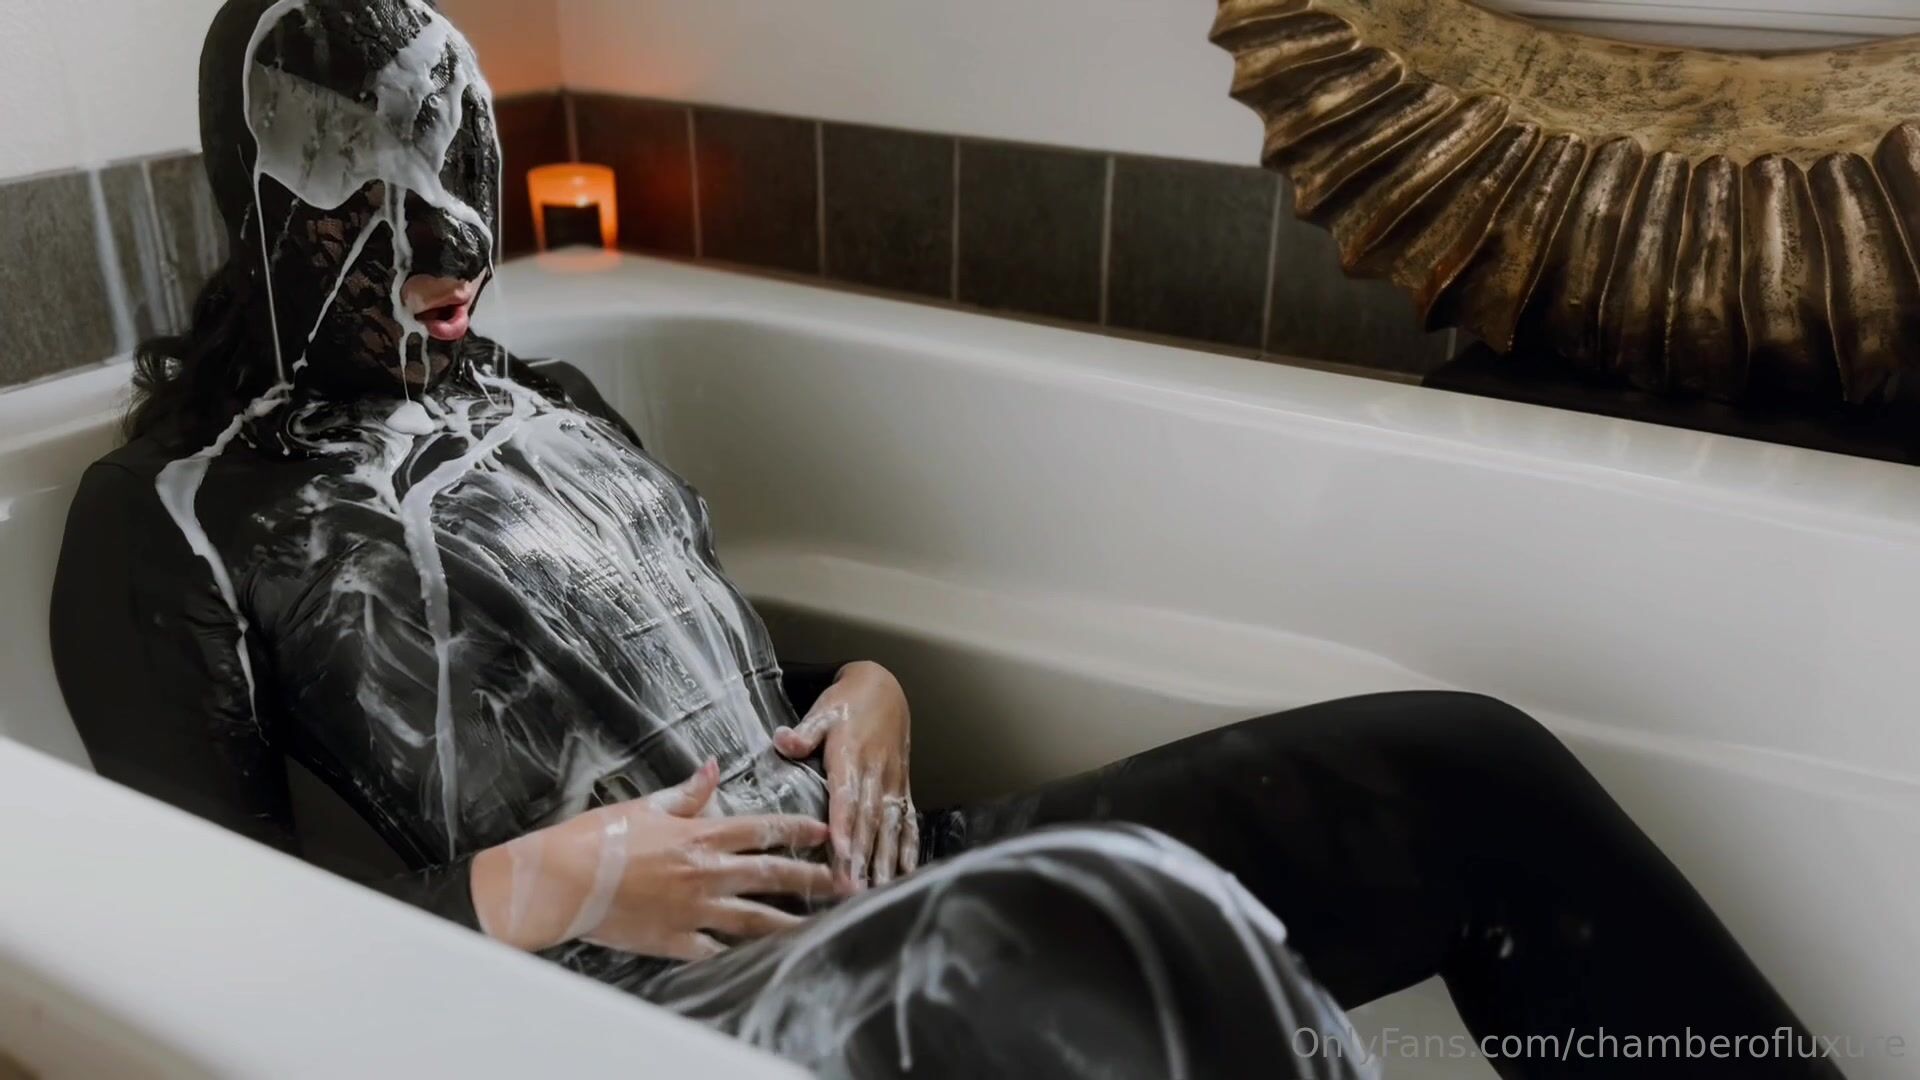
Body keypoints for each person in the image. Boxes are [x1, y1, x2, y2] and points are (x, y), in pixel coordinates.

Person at [49, 2, 1839, 1077]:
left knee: (1463, 766)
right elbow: (209, 950)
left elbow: (686, 682)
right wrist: (557, 885)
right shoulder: (174, 518)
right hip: (651, 1013)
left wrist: (869, 689)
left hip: (881, 870)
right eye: (374, 197)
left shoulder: (544, 397)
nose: (453, 243)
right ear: (264, 202)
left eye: (464, 173)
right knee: (1138, 935)